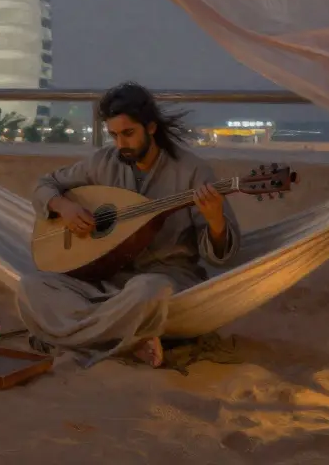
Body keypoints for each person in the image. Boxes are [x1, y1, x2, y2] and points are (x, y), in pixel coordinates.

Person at [15, 81, 241, 368]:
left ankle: (72, 339)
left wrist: (215, 220)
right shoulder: (103, 163)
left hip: (163, 278)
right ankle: (128, 340)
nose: (121, 144)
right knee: (31, 285)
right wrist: (64, 206)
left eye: (128, 133)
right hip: (106, 279)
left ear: (151, 127)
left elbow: (222, 257)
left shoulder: (192, 171)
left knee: (148, 290)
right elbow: (44, 185)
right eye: (114, 135)